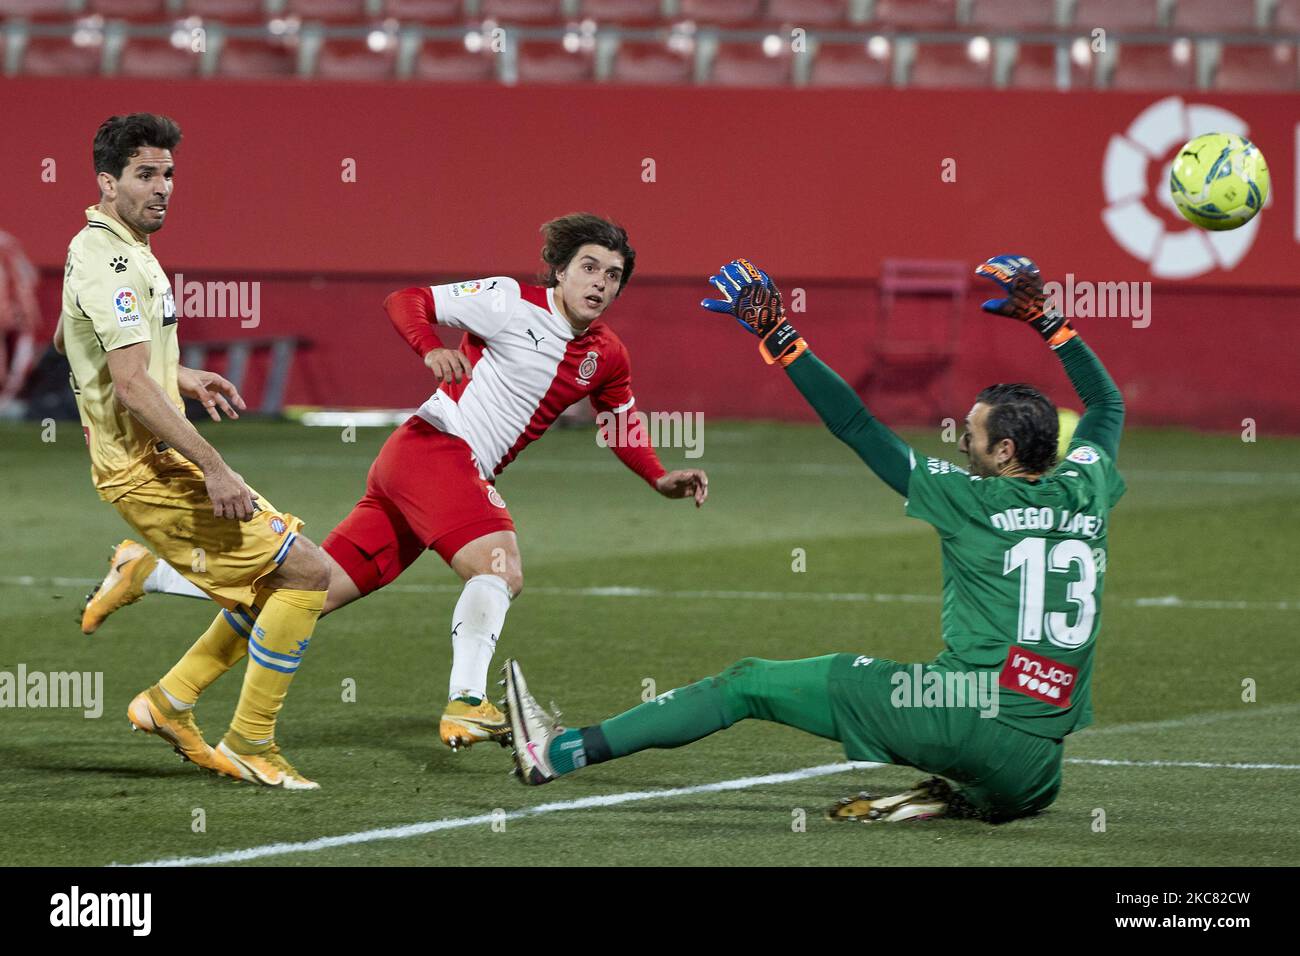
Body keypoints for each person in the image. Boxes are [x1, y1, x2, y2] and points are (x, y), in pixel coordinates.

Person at [501, 254, 1125, 823]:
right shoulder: (1087, 484)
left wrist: (781, 338)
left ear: (1007, 451)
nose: (960, 443)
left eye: (972, 435)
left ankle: (560, 751)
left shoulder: (972, 499)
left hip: (958, 714)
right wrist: (1051, 321)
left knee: (748, 682)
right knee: (1019, 780)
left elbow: (855, 424)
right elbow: (1106, 405)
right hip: (1038, 764)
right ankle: (979, 795)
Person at [78, 213, 710, 751]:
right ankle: (466, 700)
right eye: (590, 267)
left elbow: (620, 420)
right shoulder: (508, 300)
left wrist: (658, 478)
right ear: (561, 270)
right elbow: (407, 300)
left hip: (432, 471)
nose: (600, 283)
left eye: (613, 276)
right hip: (435, 450)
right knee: (500, 566)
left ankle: (153, 598)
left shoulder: (608, 353)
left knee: (310, 589)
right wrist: (426, 347)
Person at [59, 114, 332, 789]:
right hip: (143, 467)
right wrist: (216, 466)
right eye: (146, 175)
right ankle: (250, 742)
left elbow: (94, 351)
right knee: (306, 573)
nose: (163, 188)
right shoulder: (109, 259)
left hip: (150, 457)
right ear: (107, 182)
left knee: (277, 579)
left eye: (169, 174)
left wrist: (178, 374)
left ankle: (168, 703)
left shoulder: (125, 249)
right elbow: (126, 385)